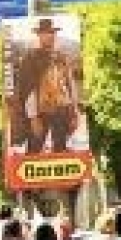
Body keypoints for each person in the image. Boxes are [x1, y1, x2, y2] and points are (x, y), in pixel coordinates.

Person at [13, 18, 83, 154]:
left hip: (62, 110)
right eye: (46, 32)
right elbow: (28, 90)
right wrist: (33, 117)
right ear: (39, 35)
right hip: (40, 112)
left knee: (61, 149)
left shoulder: (61, 57)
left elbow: (69, 86)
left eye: (52, 32)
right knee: (34, 150)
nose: (50, 35)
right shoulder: (31, 58)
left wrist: (74, 112)